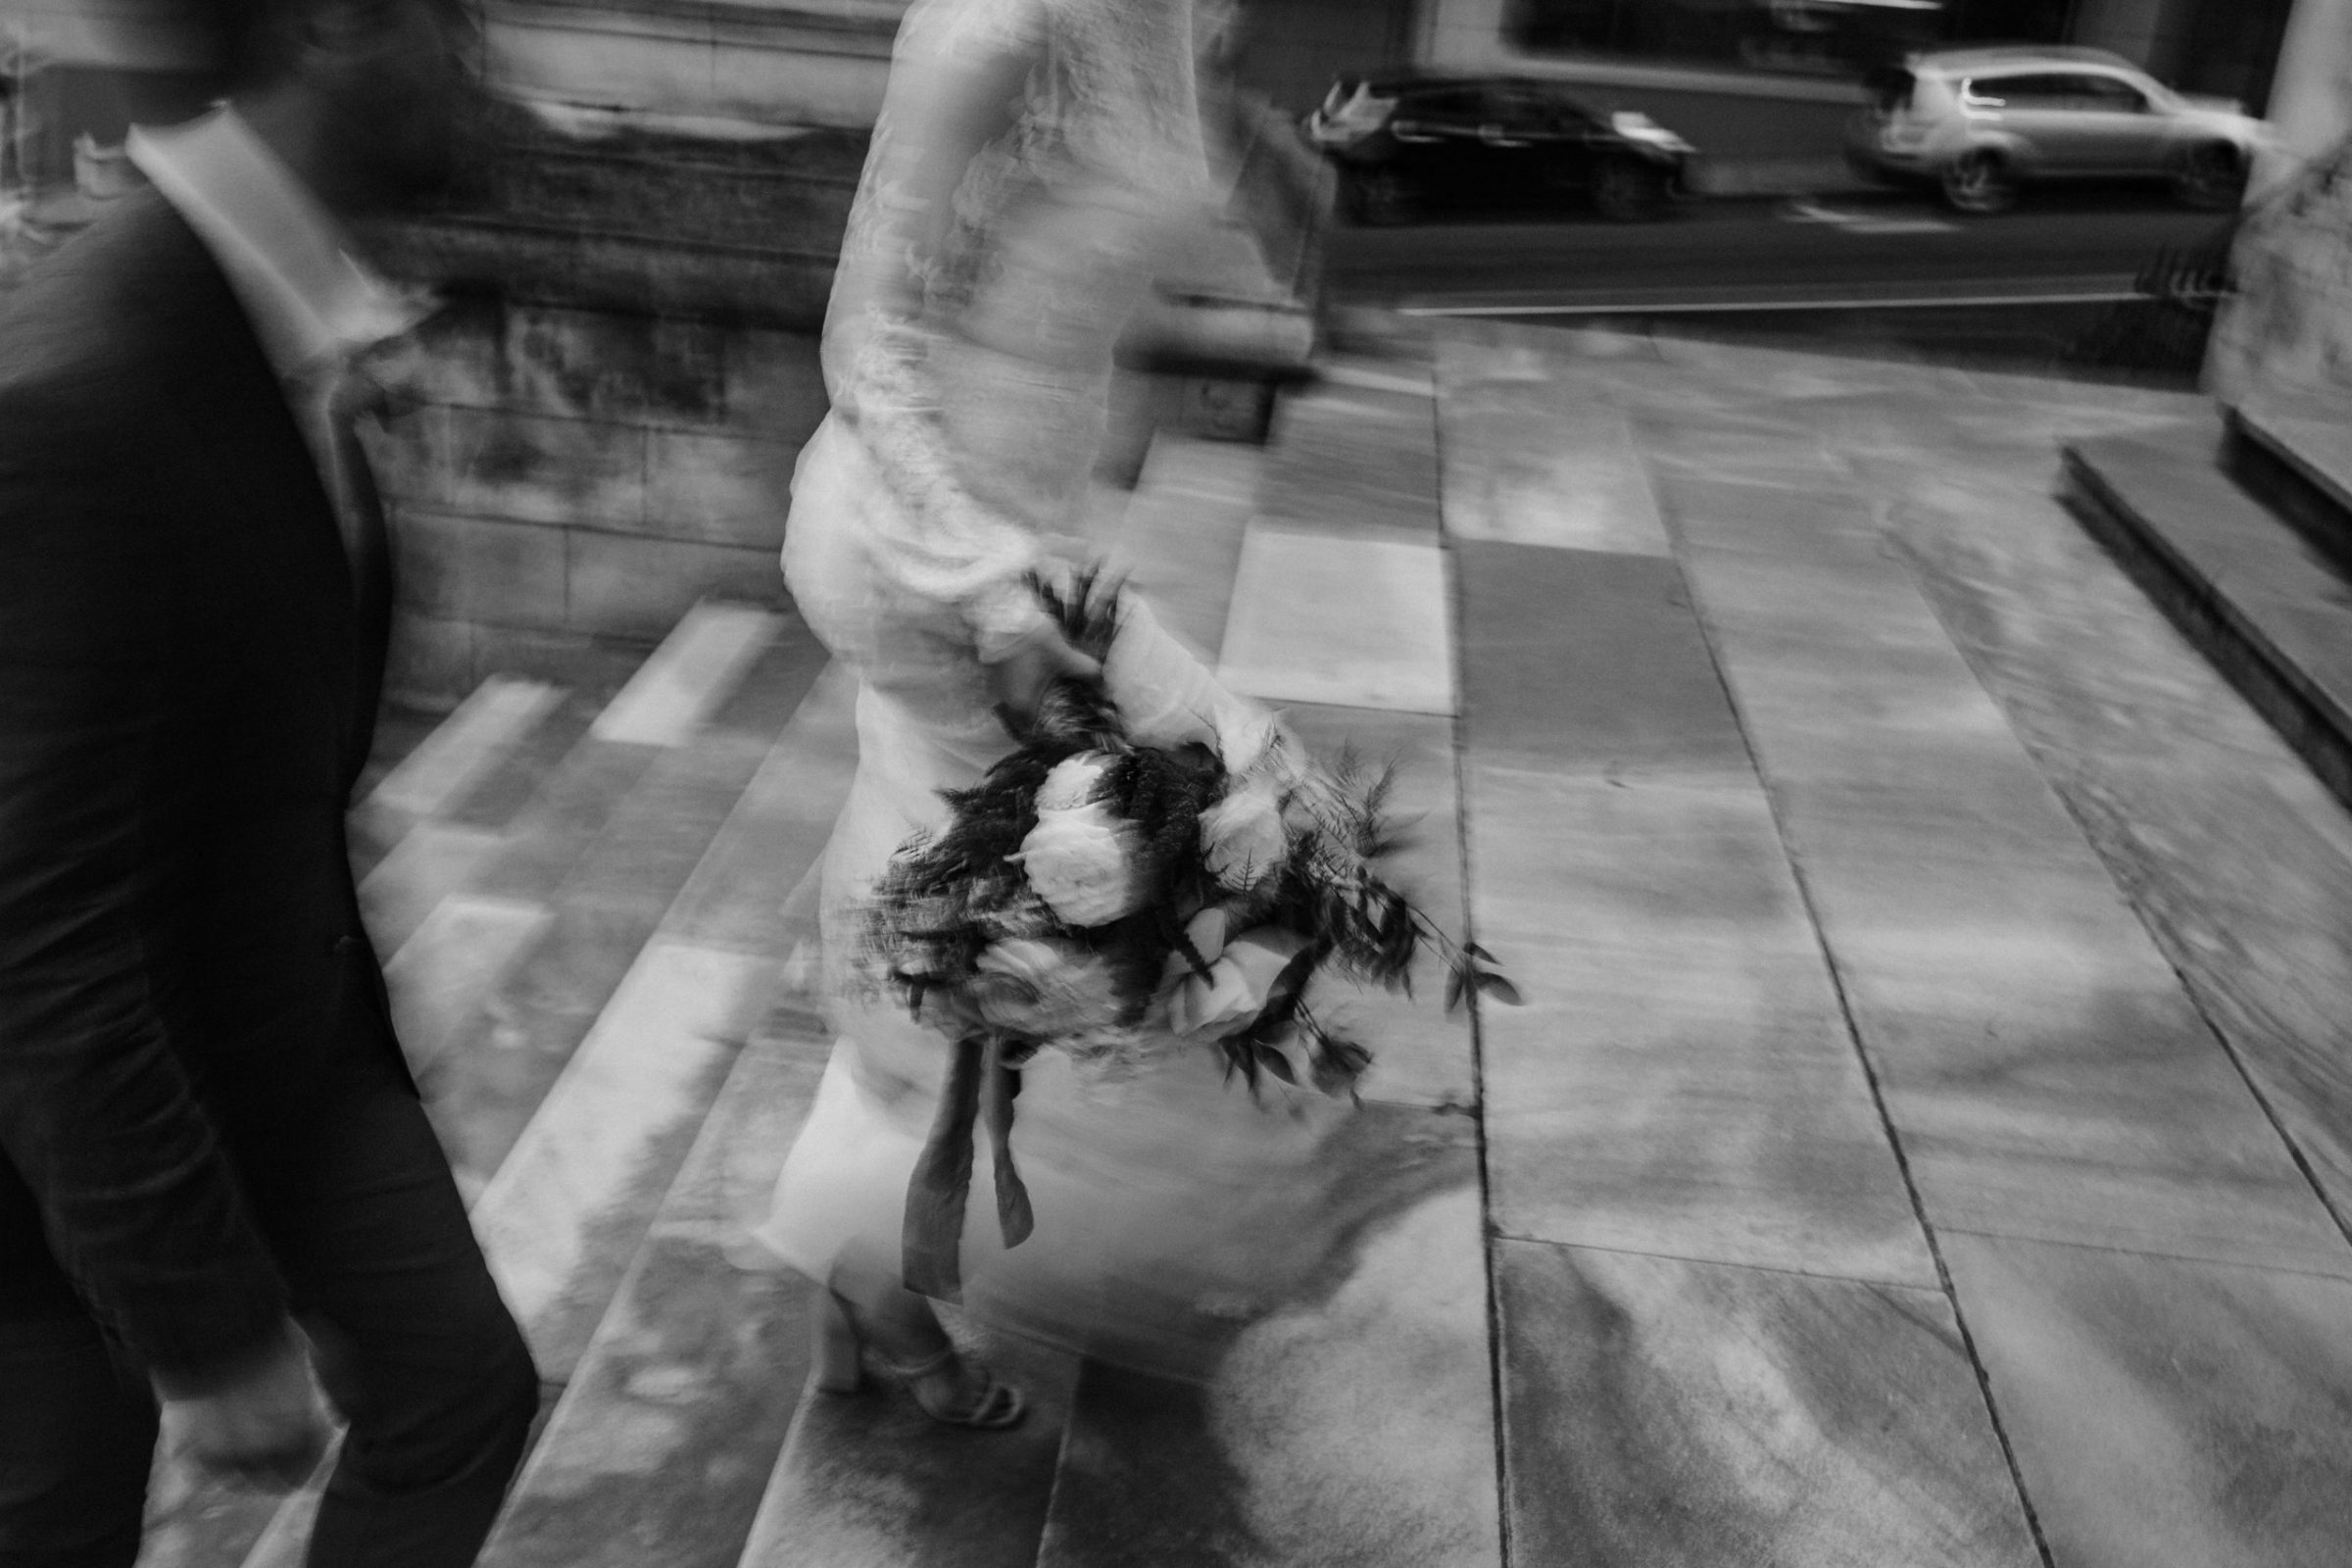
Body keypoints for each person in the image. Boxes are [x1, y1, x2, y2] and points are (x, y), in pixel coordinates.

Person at [747, 0, 1359, 1424]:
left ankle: (858, 1262)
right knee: (1193, 843)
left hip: (1030, 543)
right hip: (938, 558)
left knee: (1000, 918)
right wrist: (992, 589)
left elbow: (1150, 255)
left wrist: (1274, 153)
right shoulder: (991, 30)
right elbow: (868, 334)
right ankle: (872, 1274)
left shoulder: (1157, 17)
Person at [0, 1, 540, 1563]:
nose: (497, 71)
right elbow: (40, 932)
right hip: (60, 1133)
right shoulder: (82, 391)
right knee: (57, 1519)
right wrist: (208, 1326)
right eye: (464, 25)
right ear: (339, 26)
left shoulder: (283, 315)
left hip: (279, 1033)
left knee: (457, 1391)